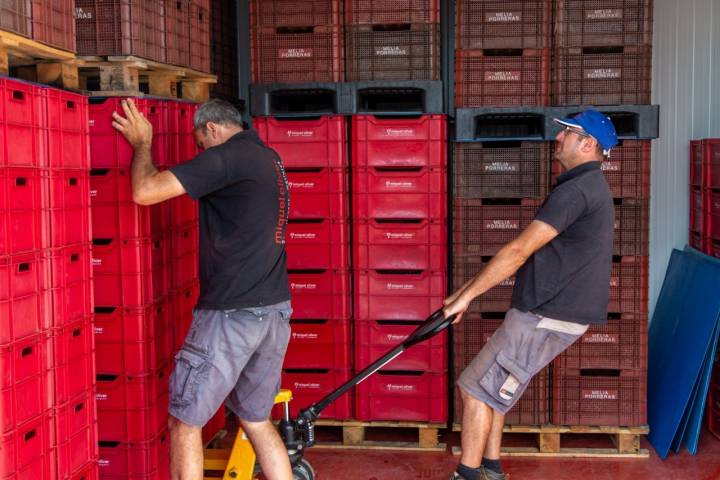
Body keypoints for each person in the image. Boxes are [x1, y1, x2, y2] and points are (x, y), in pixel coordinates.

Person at [111, 98, 293, 480]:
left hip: (232, 314)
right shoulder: (269, 158)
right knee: (256, 419)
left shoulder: (227, 157)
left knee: (185, 421)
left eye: (199, 144)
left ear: (212, 129)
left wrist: (142, 143)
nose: (200, 153)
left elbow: (144, 191)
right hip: (274, 310)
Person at [443, 110, 619, 480]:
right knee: (493, 391)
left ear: (588, 144)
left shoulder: (576, 191)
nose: (558, 139)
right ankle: (490, 469)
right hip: (545, 313)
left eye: (567, 134)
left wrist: (466, 297)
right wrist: (463, 292)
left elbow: (519, 250)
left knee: (473, 389)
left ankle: (468, 475)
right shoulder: (586, 187)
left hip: (545, 316)